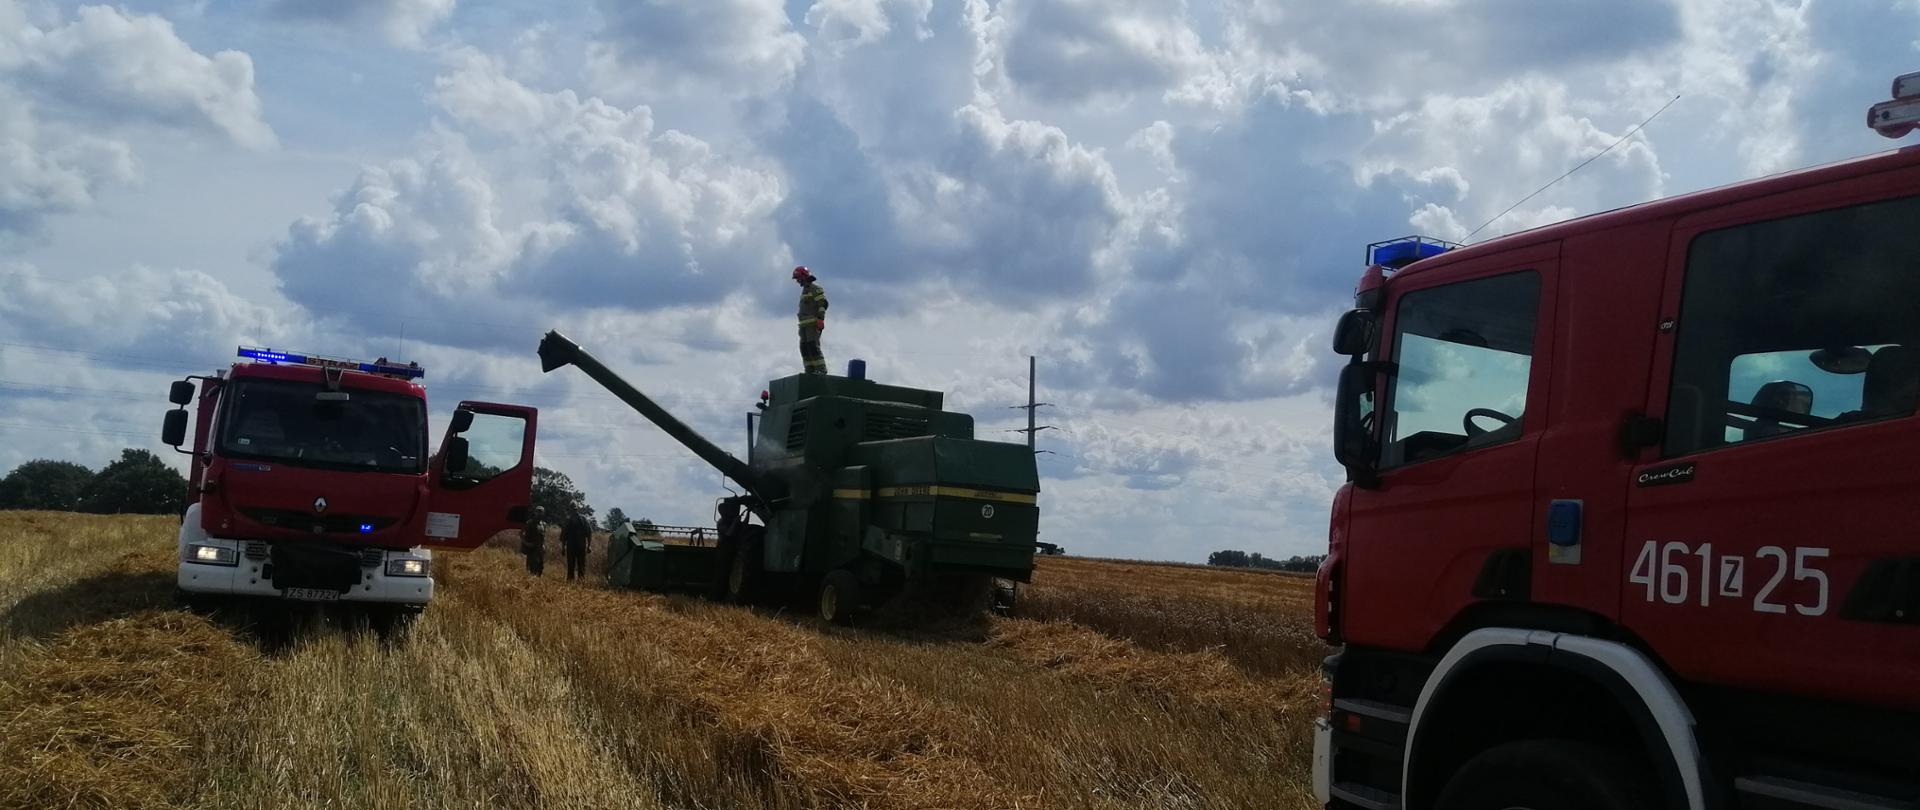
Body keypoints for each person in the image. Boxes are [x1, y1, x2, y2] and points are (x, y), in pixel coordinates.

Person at [793, 265, 829, 375]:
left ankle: (821, 369)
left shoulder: (815, 288)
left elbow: (823, 303)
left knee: (813, 346)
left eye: (798, 278)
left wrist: (820, 319)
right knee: (804, 347)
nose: (797, 281)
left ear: (804, 277)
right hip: (804, 325)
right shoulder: (805, 290)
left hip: (813, 324)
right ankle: (810, 369)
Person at [563, 509, 592, 581]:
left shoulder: (583, 519)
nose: (574, 510)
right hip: (571, 546)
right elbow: (563, 534)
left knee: (581, 565)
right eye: (572, 508)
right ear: (570, 509)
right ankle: (570, 581)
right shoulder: (568, 519)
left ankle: (581, 581)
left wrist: (589, 546)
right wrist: (563, 547)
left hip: (581, 546)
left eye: (575, 508)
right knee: (570, 565)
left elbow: (589, 532)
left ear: (577, 509)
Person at [520, 506, 547, 576]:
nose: (539, 514)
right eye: (538, 512)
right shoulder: (529, 523)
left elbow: (543, 537)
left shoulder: (543, 524)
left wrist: (543, 545)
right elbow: (521, 533)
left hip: (540, 550)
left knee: (540, 569)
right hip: (532, 550)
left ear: (543, 513)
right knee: (531, 570)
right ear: (535, 512)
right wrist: (526, 543)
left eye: (541, 512)